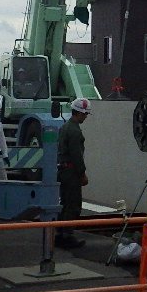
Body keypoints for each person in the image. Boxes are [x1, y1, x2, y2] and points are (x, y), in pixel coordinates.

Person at [55, 97, 90, 248]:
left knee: (64, 202)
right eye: (86, 114)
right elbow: (76, 155)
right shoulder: (75, 131)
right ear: (81, 113)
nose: (86, 117)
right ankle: (68, 235)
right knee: (73, 204)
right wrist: (82, 174)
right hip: (71, 171)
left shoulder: (64, 127)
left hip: (62, 169)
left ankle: (60, 233)